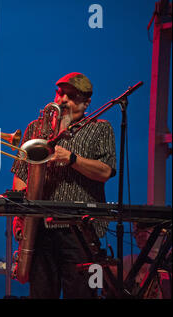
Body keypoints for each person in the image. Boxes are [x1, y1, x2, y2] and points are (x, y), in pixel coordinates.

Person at [11, 72, 117, 299]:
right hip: (40, 229)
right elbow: (21, 174)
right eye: (61, 94)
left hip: (81, 230)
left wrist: (71, 159)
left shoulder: (100, 128)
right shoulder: (35, 129)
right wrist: (20, 218)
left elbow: (105, 171)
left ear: (86, 102)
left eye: (72, 97)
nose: (63, 101)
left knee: (81, 294)